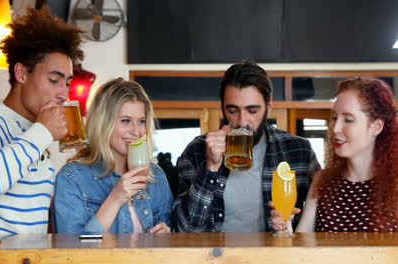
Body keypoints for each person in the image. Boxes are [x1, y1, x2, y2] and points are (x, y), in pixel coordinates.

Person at [0, 6, 84, 234]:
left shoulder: (32, 129)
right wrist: (43, 133)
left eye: (67, 83)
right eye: (54, 80)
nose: (64, 94)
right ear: (22, 74)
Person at [172, 61, 320, 232]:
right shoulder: (196, 151)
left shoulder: (298, 151)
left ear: (269, 107)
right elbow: (184, 231)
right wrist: (210, 169)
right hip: (216, 258)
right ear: (222, 108)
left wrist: (290, 224)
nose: (242, 121)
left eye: (252, 110)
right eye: (233, 111)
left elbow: (324, 218)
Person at [272, 78, 398, 232]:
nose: (335, 127)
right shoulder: (322, 181)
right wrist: (285, 228)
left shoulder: (395, 184)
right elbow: (303, 246)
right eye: (334, 118)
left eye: (348, 120)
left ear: (376, 126)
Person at [52, 78, 173, 234]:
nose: (136, 131)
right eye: (125, 121)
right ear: (103, 123)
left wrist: (166, 237)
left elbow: (171, 244)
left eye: (141, 121)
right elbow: (71, 253)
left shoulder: (156, 176)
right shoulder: (71, 178)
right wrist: (115, 199)